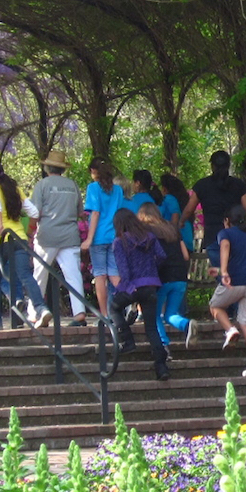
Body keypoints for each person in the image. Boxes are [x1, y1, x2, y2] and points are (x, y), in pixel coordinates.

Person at [0, 161, 53, 330]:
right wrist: (29, 232)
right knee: (25, 276)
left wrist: (0, 225)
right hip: (19, 238)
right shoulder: (14, 190)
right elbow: (34, 212)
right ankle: (41, 308)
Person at [27, 150, 88, 328]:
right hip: (70, 235)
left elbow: (34, 212)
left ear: (47, 167)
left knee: (39, 274)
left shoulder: (42, 185)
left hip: (47, 236)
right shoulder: (72, 185)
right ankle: (79, 314)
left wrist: (30, 232)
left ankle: (35, 312)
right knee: (73, 275)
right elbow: (80, 212)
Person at [110, 208, 170, 380]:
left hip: (133, 286)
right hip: (151, 285)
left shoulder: (119, 242)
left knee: (114, 308)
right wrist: (152, 272)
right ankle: (161, 367)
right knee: (151, 328)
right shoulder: (149, 237)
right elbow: (162, 256)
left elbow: (123, 269)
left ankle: (127, 340)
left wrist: (126, 287)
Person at [209, 204, 246, 377]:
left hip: (235, 281)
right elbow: (244, 260)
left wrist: (224, 272)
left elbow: (226, 247)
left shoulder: (225, 233)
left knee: (215, 306)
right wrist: (221, 270)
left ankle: (229, 330)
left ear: (227, 221)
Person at [137, 203, 194, 352]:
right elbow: (186, 255)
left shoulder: (146, 231)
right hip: (180, 277)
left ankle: (163, 345)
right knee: (170, 314)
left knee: (154, 315)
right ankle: (186, 325)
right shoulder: (172, 228)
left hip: (161, 278)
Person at [190, 150, 246, 263]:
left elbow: (189, 209)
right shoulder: (239, 185)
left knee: (221, 273)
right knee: (236, 272)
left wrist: (179, 223)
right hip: (236, 236)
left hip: (212, 237)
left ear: (212, 166)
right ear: (228, 165)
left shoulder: (202, 185)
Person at [81, 160, 125, 321]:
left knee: (100, 275)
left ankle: (104, 314)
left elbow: (96, 213)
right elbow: (120, 214)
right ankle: (129, 303)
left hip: (99, 237)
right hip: (114, 236)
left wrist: (89, 238)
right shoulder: (118, 190)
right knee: (114, 274)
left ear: (94, 171)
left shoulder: (93, 188)